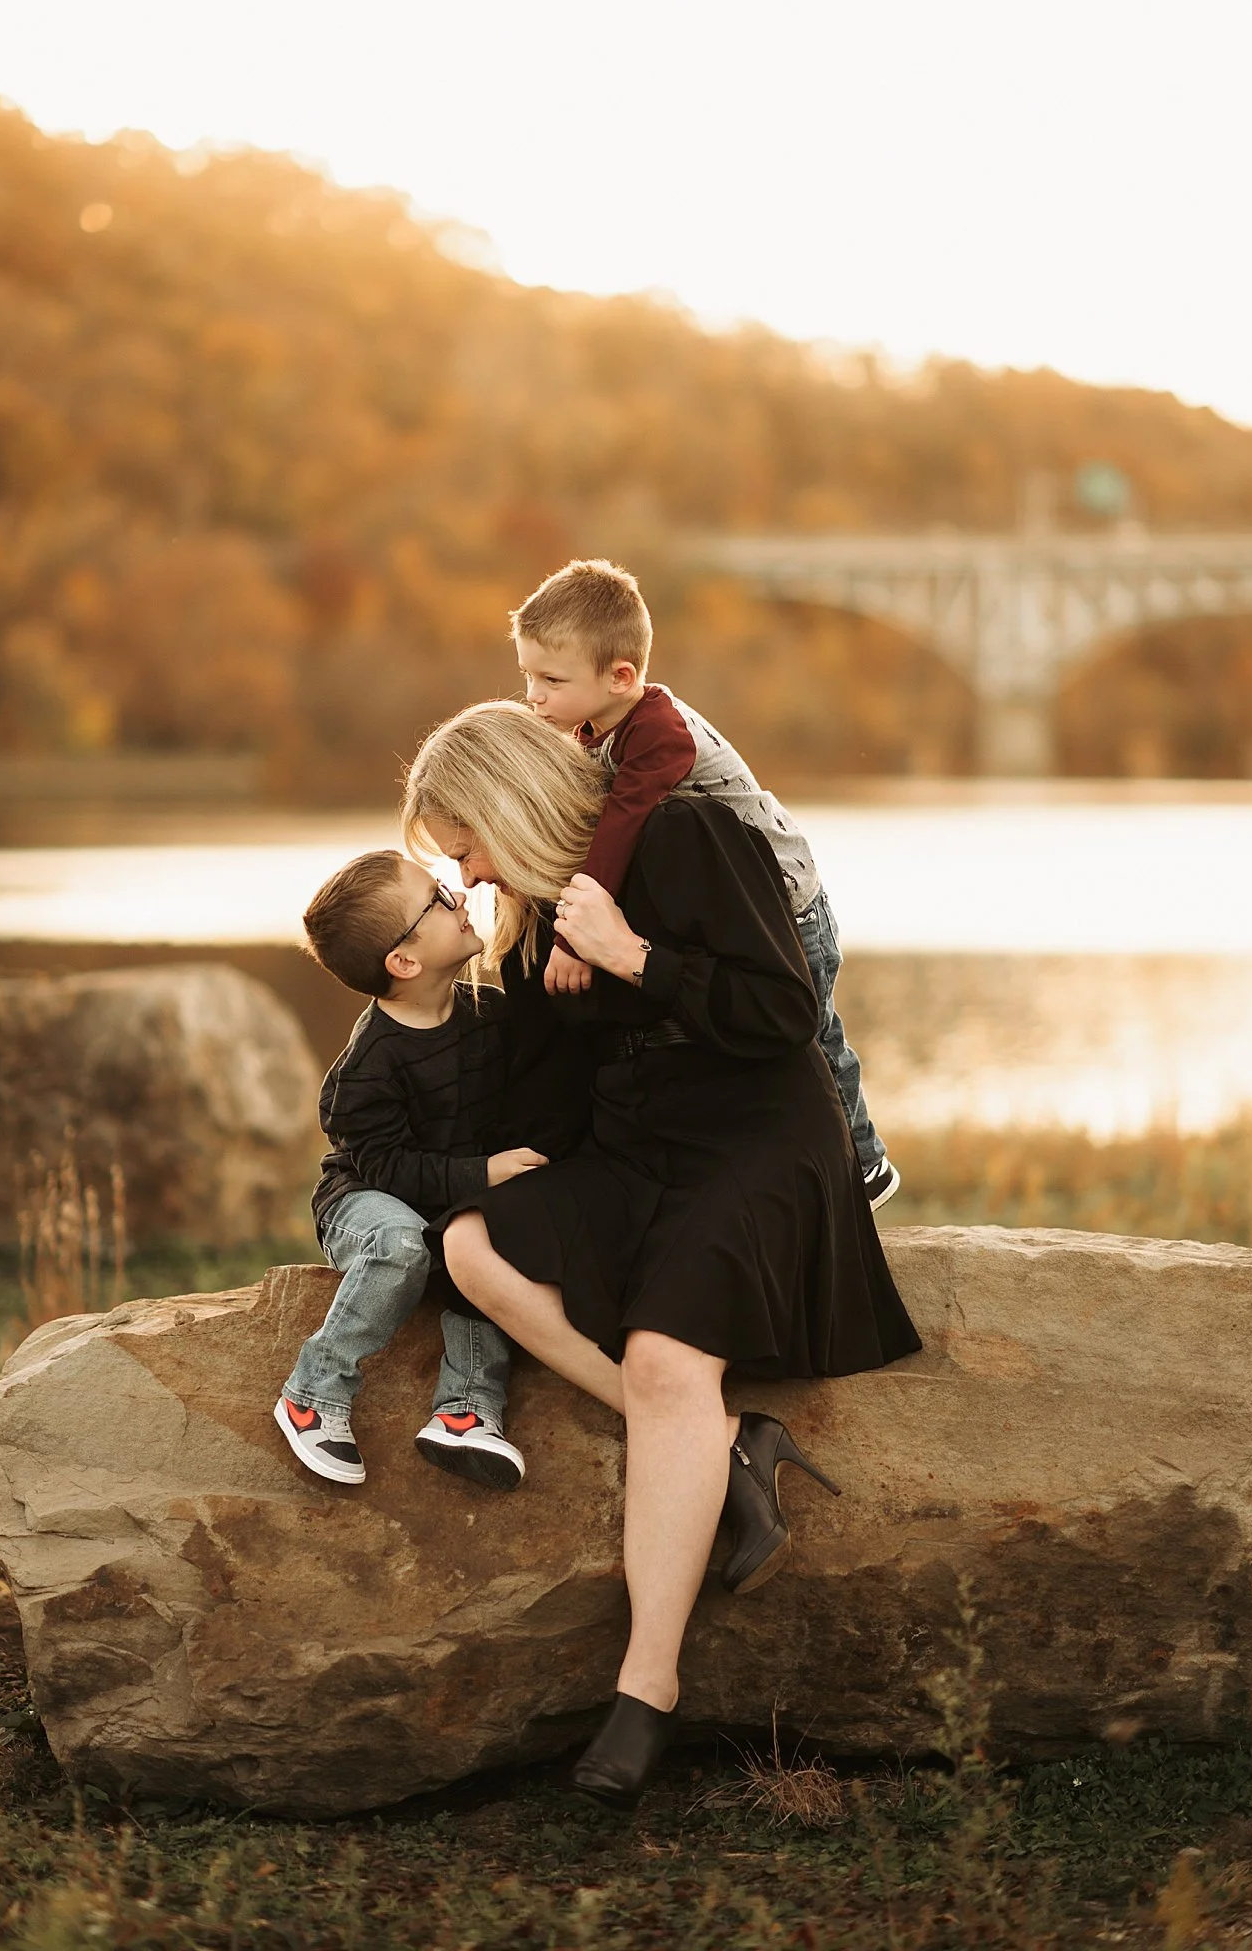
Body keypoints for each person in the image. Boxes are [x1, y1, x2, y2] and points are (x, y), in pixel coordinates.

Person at [402, 702, 921, 1803]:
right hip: (641, 1154)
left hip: (757, 1144)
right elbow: (554, 1104)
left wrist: (632, 954)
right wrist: (437, 1057)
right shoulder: (535, 922)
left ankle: (648, 1687)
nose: (471, 875)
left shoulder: (686, 835)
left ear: (508, 805)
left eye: (466, 847)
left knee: (664, 1355)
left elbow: (785, 1011)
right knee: (473, 1245)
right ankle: (735, 1443)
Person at [511, 557, 900, 1210]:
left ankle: (864, 1162)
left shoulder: (659, 734)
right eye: (527, 676)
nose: (533, 695)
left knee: (810, 1030)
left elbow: (620, 828)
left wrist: (579, 935)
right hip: (740, 906)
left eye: (550, 680)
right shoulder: (591, 727)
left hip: (788, 902)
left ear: (621, 676)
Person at [273, 848, 546, 1492]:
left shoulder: (488, 1014)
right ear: (404, 960)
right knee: (401, 1245)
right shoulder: (368, 1068)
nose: (459, 894)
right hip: (366, 1197)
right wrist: (482, 1174)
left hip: (447, 1198)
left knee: (484, 1247)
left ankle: (464, 1414)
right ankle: (313, 1393)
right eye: (438, 898)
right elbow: (389, 1168)